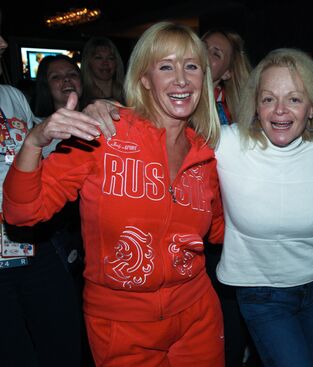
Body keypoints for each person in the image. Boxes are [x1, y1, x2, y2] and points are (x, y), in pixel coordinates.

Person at [2, 21, 225, 367]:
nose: (181, 79)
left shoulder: (205, 154)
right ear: (144, 79)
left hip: (198, 316)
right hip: (122, 326)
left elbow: (220, 229)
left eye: (191, 66)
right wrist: (34, 141)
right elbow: (22, 213)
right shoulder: (103, 133)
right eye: (166, 66)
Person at [214, 48, 313, 367]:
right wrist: (108, 112)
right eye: (268, 99)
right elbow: (162, 135)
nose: (280, 110)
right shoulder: (226, 145)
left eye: (294, 99)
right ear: (255, 105)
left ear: (312, 108)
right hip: (261, 295)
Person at [0, 9, 87, 367]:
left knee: (66, 345)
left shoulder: (10, 96)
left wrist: (75, 122)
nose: (4, 44)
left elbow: (39, 150)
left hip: (34, 246)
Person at [202, 28, 254, 367]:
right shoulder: (168, 106)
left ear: (229, 72)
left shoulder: (242, 116)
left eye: (215, 54)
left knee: (230, 308)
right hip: (189, 226)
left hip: (229, 226)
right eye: (202, 47)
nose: (204, 56)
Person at [202, 29, 252, 125]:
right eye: (203, 46)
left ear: (227, 73)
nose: (205, 54)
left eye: (216, 54)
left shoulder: (224, 117)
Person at [80, 36, 125, 107]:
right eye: (99, 58)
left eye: (110, 58)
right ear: (88, 63)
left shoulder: (128, 95)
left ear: (116, 63)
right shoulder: (80, 97)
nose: (105, 63)